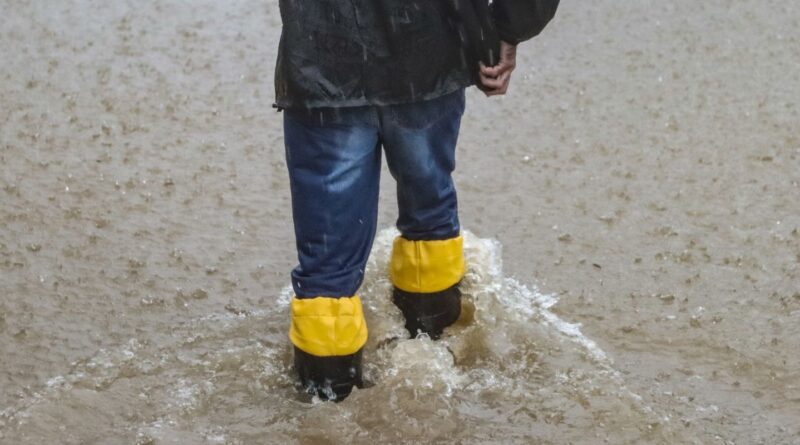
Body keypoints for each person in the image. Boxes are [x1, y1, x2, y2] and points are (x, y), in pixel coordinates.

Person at [274, 0, 559, 401]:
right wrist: (506, 28)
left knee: (327, 270)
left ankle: (322, 406)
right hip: (429, 53)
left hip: (322, 61)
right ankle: (434, 355)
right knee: (430, 219)